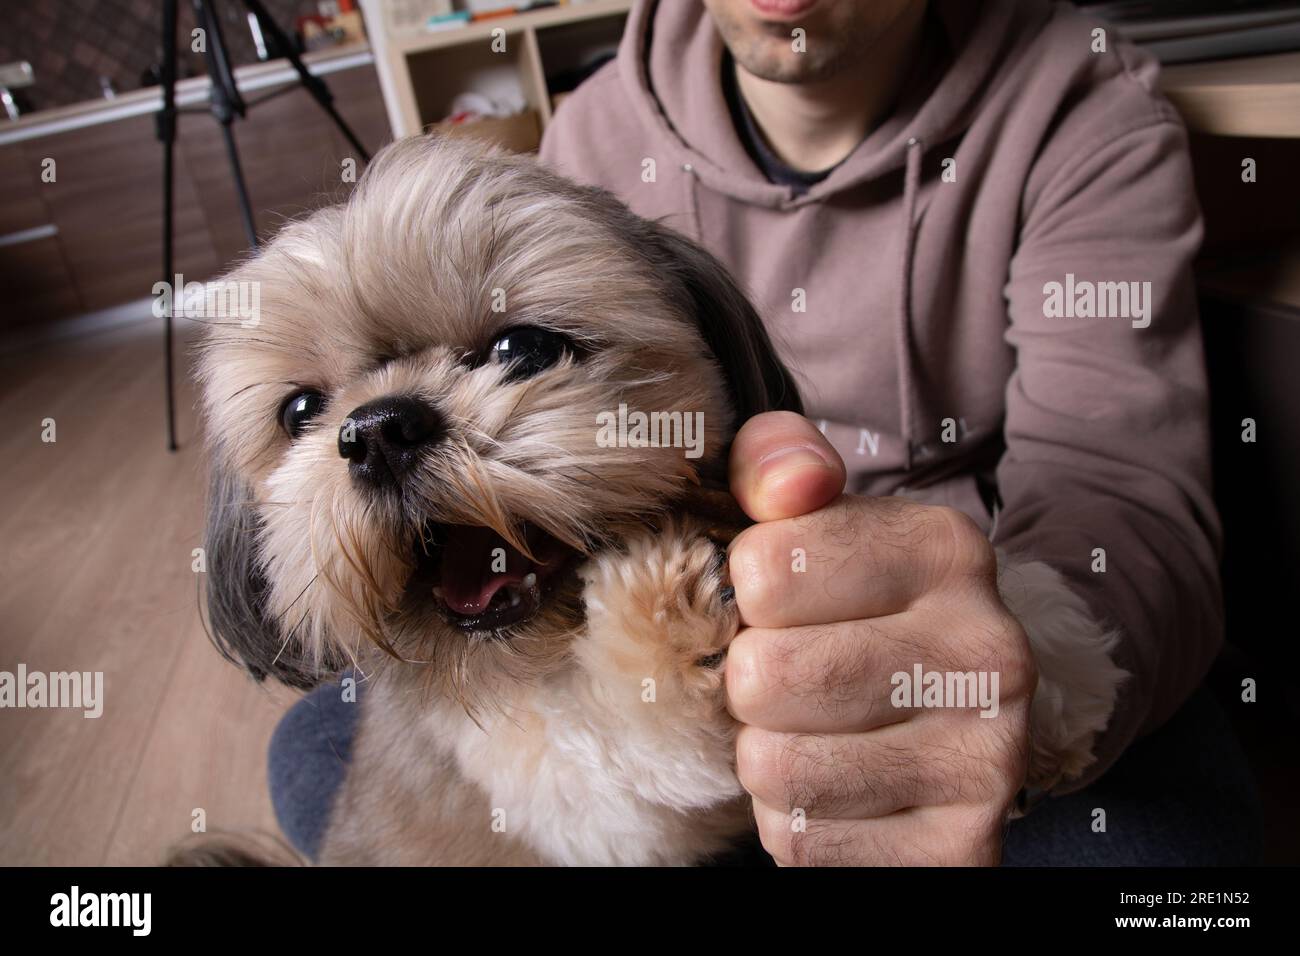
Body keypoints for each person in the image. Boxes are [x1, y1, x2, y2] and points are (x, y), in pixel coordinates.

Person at [268, 0, 1261, 866]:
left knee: (1156, 850)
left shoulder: (1081, 107)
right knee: (319, 741)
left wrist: (1007, 666)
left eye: (519, 350)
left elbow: (1123, 497)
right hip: (649, 627)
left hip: (970, 602)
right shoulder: (597, 130)